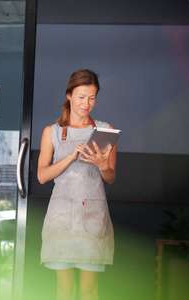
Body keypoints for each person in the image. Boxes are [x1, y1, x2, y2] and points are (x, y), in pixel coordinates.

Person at [37, 69, 117, 300]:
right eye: (81, 97)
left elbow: (111, 178)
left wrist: (102, 165)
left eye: (92, 97)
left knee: (89, 291)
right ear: (69, 95)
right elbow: (42, 176)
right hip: (60, 218)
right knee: (64, 290)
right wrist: (71, 157)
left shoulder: (106, 131)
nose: (86, 103)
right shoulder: (51, 132)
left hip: (93, 216)